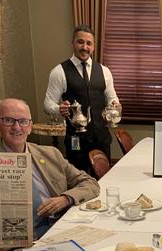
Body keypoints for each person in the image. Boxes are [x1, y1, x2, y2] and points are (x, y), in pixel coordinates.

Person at [0, 98, 100, 240]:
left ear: (30, 126)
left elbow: (90, 183)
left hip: (60, 229)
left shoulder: (50, 154)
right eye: (8, 120)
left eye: (23, 121)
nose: (17, 127)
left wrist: (65, 198)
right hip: (13, 240)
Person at [44, 24, 121, 176]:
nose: (84, 47)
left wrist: (116, 106)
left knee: (104, 179)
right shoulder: (59, 71)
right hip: (76, 140)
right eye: (80, 42)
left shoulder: (105, 71)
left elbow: (112, 99)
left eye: (89, 43)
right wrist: (59, 109)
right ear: (72, 43)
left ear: (93, 46)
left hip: (101, 138)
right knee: (78, 180)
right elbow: (47, 104)